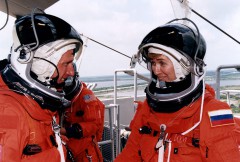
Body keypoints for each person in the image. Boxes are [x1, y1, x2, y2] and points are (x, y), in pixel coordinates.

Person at [115, 19, 240, 162]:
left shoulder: (211, 112)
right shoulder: (146, 110)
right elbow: (129, 155)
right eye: (153, 63)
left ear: (185, 66)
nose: (156, 70)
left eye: (162, 62)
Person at [0, 12, 83, 162]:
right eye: (66, 63)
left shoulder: (37, 104)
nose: (71, 72)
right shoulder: (8, 111)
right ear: (40, 66)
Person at [60, 81, 105, 162]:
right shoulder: (63, 98)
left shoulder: (87, 95)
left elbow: (94, 124)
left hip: (85, 149)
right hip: (69, 146)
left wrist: (67, 131)